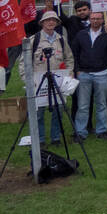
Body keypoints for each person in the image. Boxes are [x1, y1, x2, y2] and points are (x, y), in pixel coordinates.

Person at [24, 10, 75, 145]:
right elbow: (24, 63)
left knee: (58, 111)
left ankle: (55, 138)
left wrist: (69, 74)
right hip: (38, 83)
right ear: (42, 23)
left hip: (57, 82)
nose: (51, 22)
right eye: (48, 20)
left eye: (54, 20)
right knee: (38, 112)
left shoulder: (62, 40)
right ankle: (39, 139)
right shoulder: (33, 40)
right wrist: (27, 81)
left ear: (57, 23)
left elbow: (69, 59)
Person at [70, 10, 107, 140]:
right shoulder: (81, 34)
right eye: (93, 18)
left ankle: (102, 130)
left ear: (102, 20)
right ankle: (80, 132)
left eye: (98, 18)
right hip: (84, 73)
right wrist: (76, 69)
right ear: (89, 20)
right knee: (83, 105)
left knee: (101, 104)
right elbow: (74, 52)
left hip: (102, 73)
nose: (95, 21)